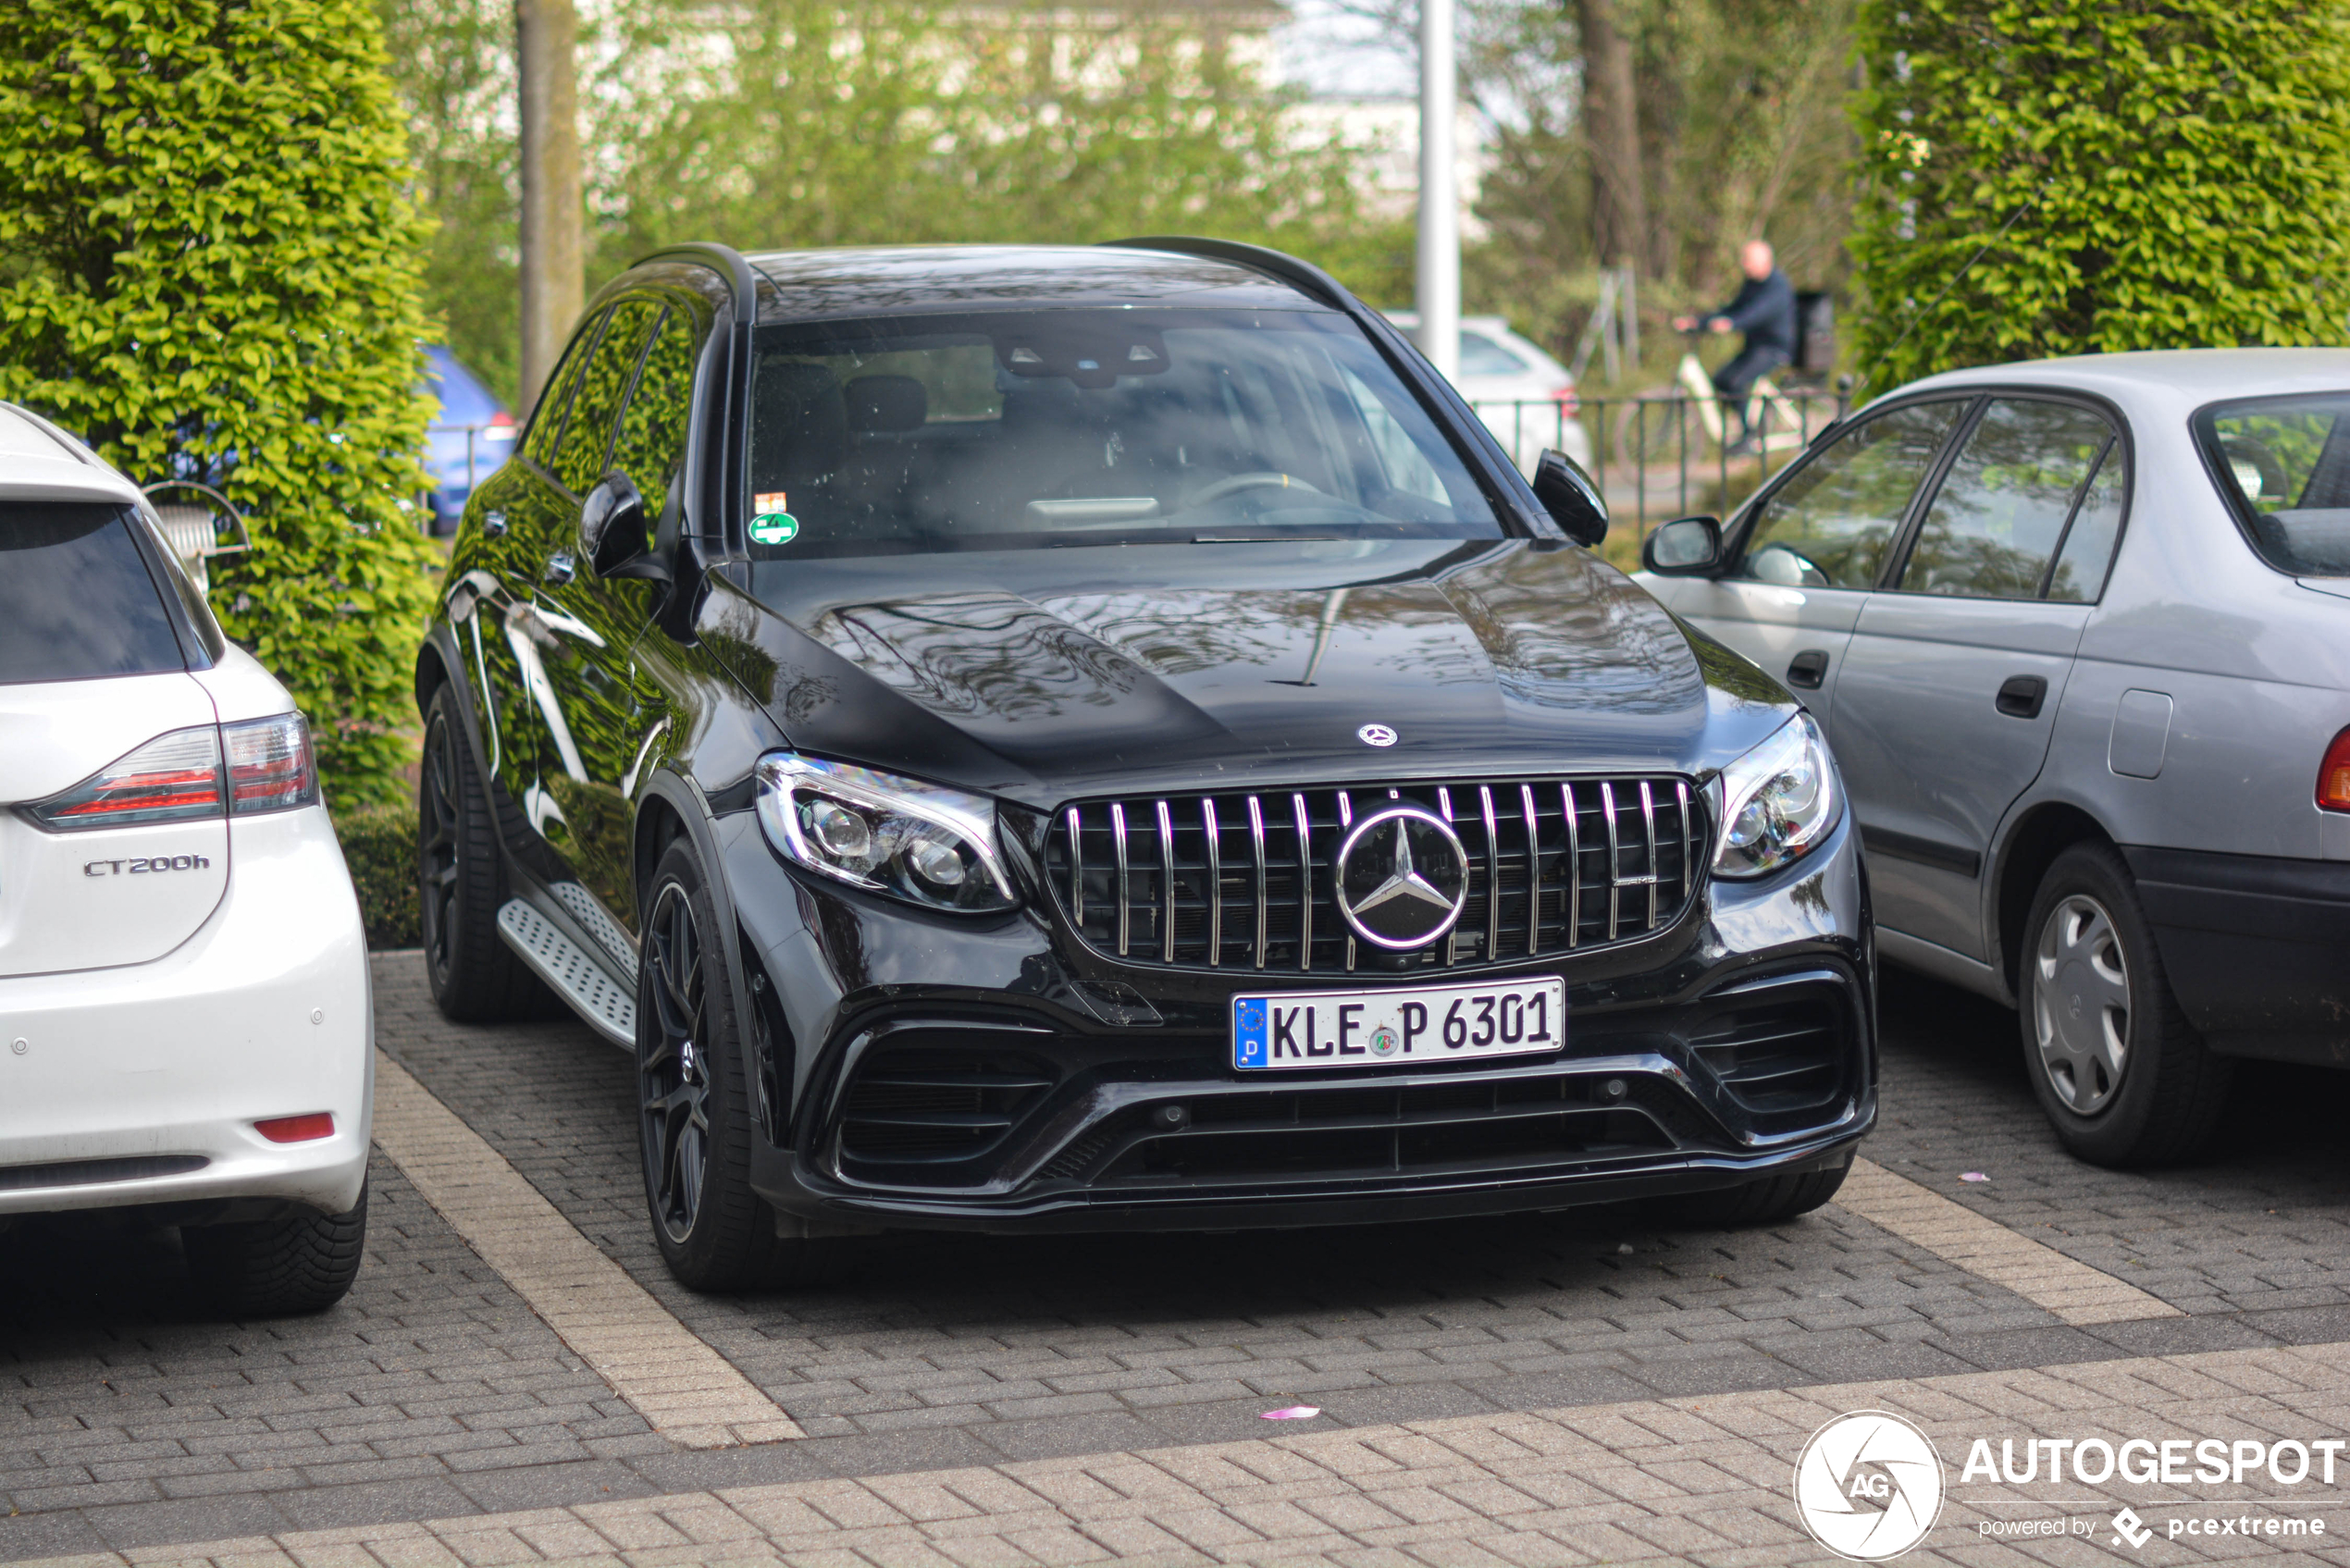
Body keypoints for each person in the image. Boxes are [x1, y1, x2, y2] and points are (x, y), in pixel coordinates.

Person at [1674, 240, 1797, 453]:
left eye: (1747, 260)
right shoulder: (1751, 285)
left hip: (1773, 349)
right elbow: (1733, 309)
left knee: (1734, 381)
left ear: (1764, 261)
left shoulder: (1777, 286)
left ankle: (1747, 437)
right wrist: (1698, 322)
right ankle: (1744, 428)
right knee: (1721, 379)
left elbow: (1758, 313)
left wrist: (1733, 324)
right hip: (1754, 347)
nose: (1744, 264)